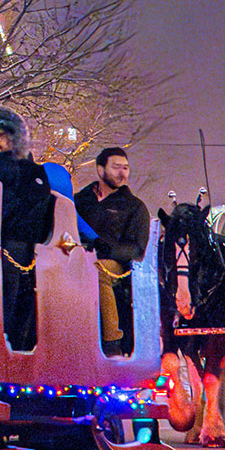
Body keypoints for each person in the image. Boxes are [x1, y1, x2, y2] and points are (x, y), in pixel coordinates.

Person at [0, 106, 54, 350]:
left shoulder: (31, 171)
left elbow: (33, 212)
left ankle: (4, 338)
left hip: (13, 244)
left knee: (7, 293)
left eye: (3, 136)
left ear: (14, 139)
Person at [73, 146, 148, 354]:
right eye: (116, 167)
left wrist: (106, 251)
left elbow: (137, 249)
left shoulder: (134, 207)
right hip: (76, 259)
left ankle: (111, 341)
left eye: (125, 168)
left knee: (99, 271)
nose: (122, 173)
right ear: (100, 170)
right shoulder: (79, 201)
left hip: (114, 265)